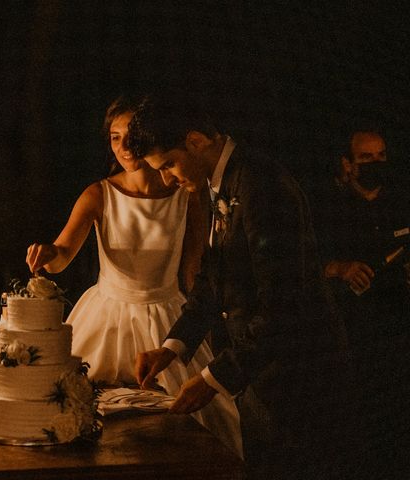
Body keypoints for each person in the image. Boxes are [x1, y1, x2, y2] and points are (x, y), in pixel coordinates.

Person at [129, 93, 351, 479]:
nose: (167, 179)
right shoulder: (219, 185)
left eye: (169, 165)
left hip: (299, 382)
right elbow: (213, 280)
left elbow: (283, 305)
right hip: (262, 376)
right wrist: (171, 347)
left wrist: (213, 379)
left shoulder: (262, 185)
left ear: (196, 141)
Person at [26, 95, 242, 457]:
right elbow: (61, 256)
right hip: (105, 316)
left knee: (191, 427)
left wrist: (205, 322)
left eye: (131, 135)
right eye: (114, 137)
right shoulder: (98, 194)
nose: (124, 146)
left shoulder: (185, 193)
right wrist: (48, 254)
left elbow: (194, 269)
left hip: (165, 314)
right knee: (74, 412)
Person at [310, 127, 410, 477]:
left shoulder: (400, 203)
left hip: (396, 333)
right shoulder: (324, 210)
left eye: (381, 155)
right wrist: (339, 268)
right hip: (347, 337)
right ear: (347, 164)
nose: (375, 163)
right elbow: (300, 267)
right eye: (366, 157)